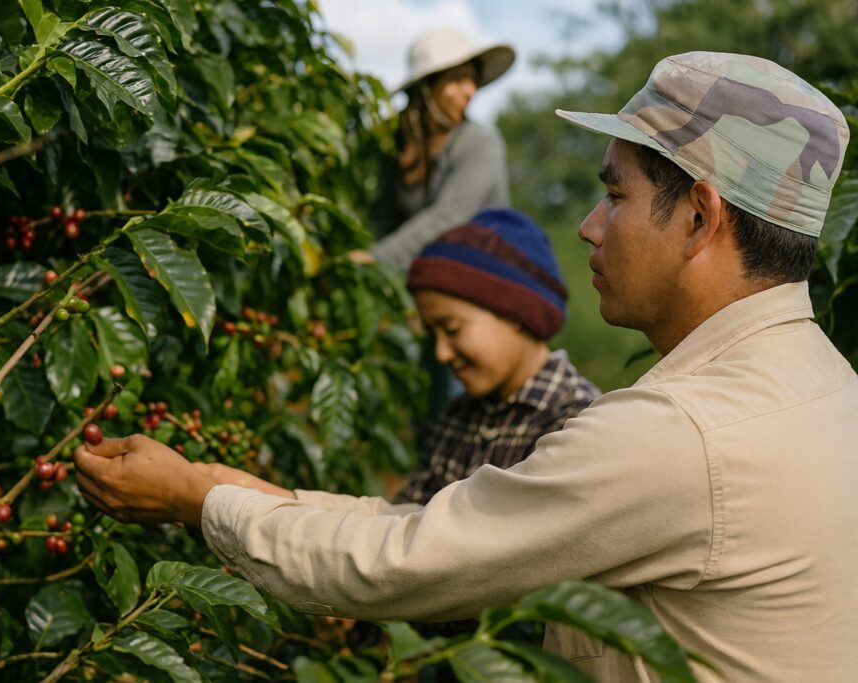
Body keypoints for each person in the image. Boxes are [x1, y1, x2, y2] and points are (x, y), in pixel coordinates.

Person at [74, 51, 857, 682]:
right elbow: (432, 525)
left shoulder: (682, 434)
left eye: (614, 195)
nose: (588, 227)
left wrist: (194, 501)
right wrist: (233, 488)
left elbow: (408, 562)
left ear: (699, 215)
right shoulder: (831, 389)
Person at [393, 207, 599, 506]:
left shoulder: (575, 424)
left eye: (451, 329)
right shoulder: (455, 419)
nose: (441, 353)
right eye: (432, 334)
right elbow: (411, 516)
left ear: (515, 312)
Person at [349, 28, 515, 271]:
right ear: (427, 88)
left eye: (472, 80)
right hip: (426, 273)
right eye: (457, 80)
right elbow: (385, 216)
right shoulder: (401, 141)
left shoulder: (480, 143)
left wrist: (377, 259)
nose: (469, 91)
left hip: (485, 271)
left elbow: (449, 217)